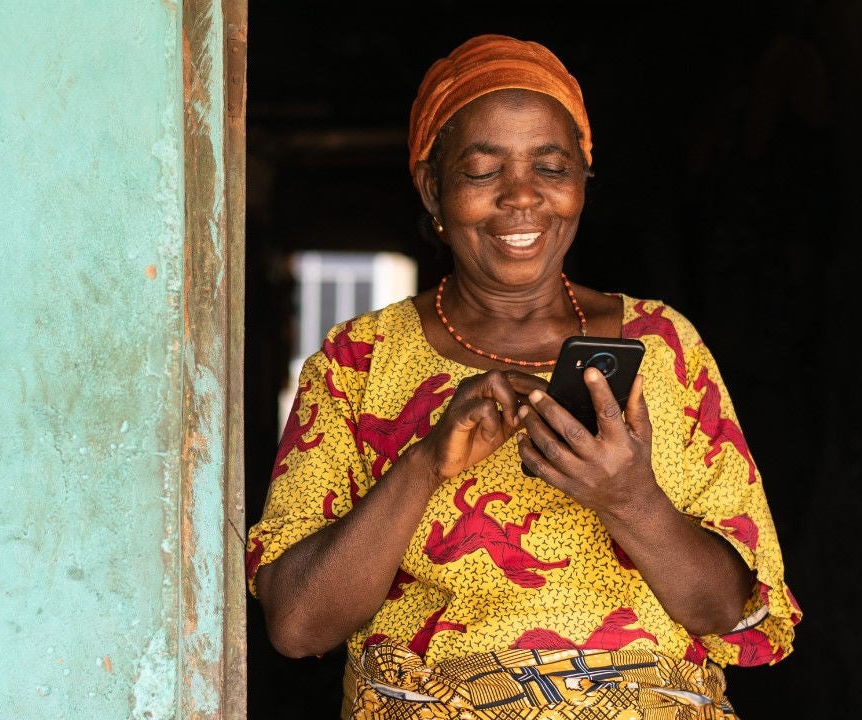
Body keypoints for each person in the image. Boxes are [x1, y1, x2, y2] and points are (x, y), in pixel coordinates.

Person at [246, 34, 800, 719]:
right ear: (433, 189)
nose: (522, 198)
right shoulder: (358, 361)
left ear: (582, 181)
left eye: (551, 167)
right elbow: (298, 626)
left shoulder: (662, 345)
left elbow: (725, 612)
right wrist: (423, 465)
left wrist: (630, 498)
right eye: (482, 171)